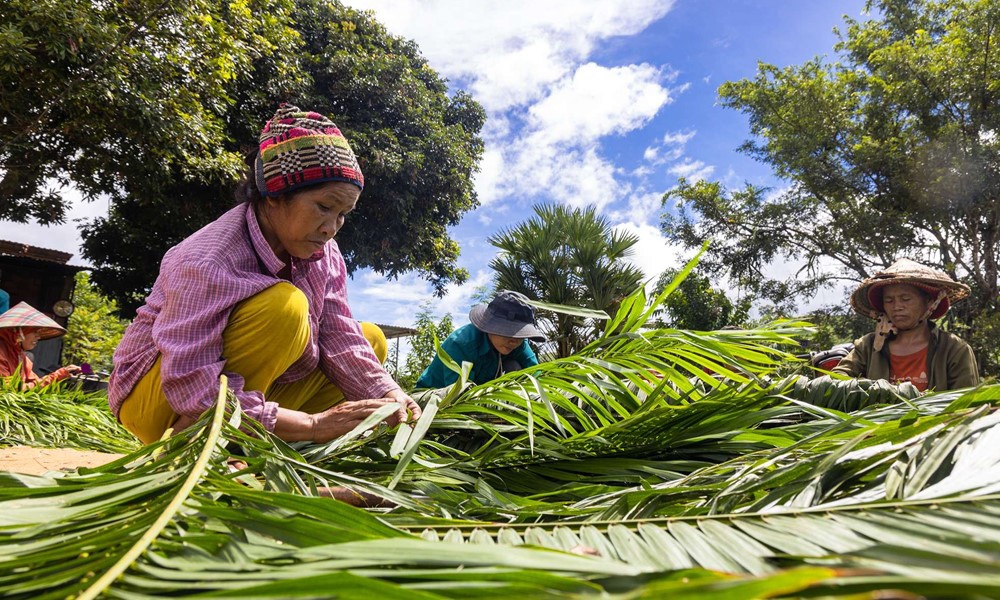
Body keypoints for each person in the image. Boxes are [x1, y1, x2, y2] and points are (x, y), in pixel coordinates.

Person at [109, 104, 420, 445]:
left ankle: (251, 441)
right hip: (160, 403)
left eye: (343, 214)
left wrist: (390, 394)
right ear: (275, 195)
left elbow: (337, 331)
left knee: (370, 339)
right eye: (324, 207)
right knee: (284, 307)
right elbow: (188, 382)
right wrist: (311, 426)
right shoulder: (207, 259)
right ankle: (191, 447)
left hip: (243, 399)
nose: (331, 228)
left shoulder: (323, 252)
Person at [833, 258, 979, 391]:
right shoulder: (868, 346)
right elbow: (836, 378)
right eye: (889, 301)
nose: (897, 306)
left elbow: (966, 404)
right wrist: (872, 390)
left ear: (929, 302)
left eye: (906, 299)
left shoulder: (954, 349)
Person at [417, 290, 546, 389]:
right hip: (437, 397)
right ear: (490, 326)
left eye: (520, 335)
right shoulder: (461, 344)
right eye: (508, 333)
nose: (514, 341)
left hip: (480, 392)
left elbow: (535, 375)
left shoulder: (519, 343)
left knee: (514, 367)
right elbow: (457, 392)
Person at [0, 301, 81, 389]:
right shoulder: (2, 354)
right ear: (18, 332)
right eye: (34, 332)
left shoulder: (21, 356)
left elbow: (35, 383)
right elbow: (9, 390)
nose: (38, 337)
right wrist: (57, 376)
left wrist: (64, 373)